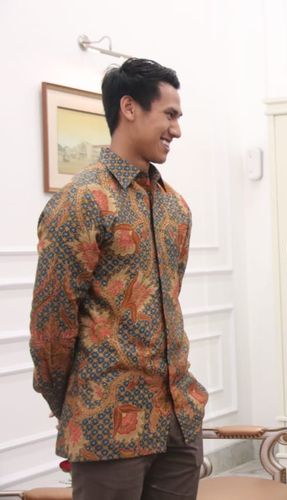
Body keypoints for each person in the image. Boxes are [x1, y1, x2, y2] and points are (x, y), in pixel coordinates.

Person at [29, 58, 207, 500]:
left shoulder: (176, 208)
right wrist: (70, 402)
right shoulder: (82, 201)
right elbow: (51, 322)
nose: (177, 129)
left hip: (179, 422)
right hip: (107, 425)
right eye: (170, 115)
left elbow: (169, 302)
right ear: (129, 108)